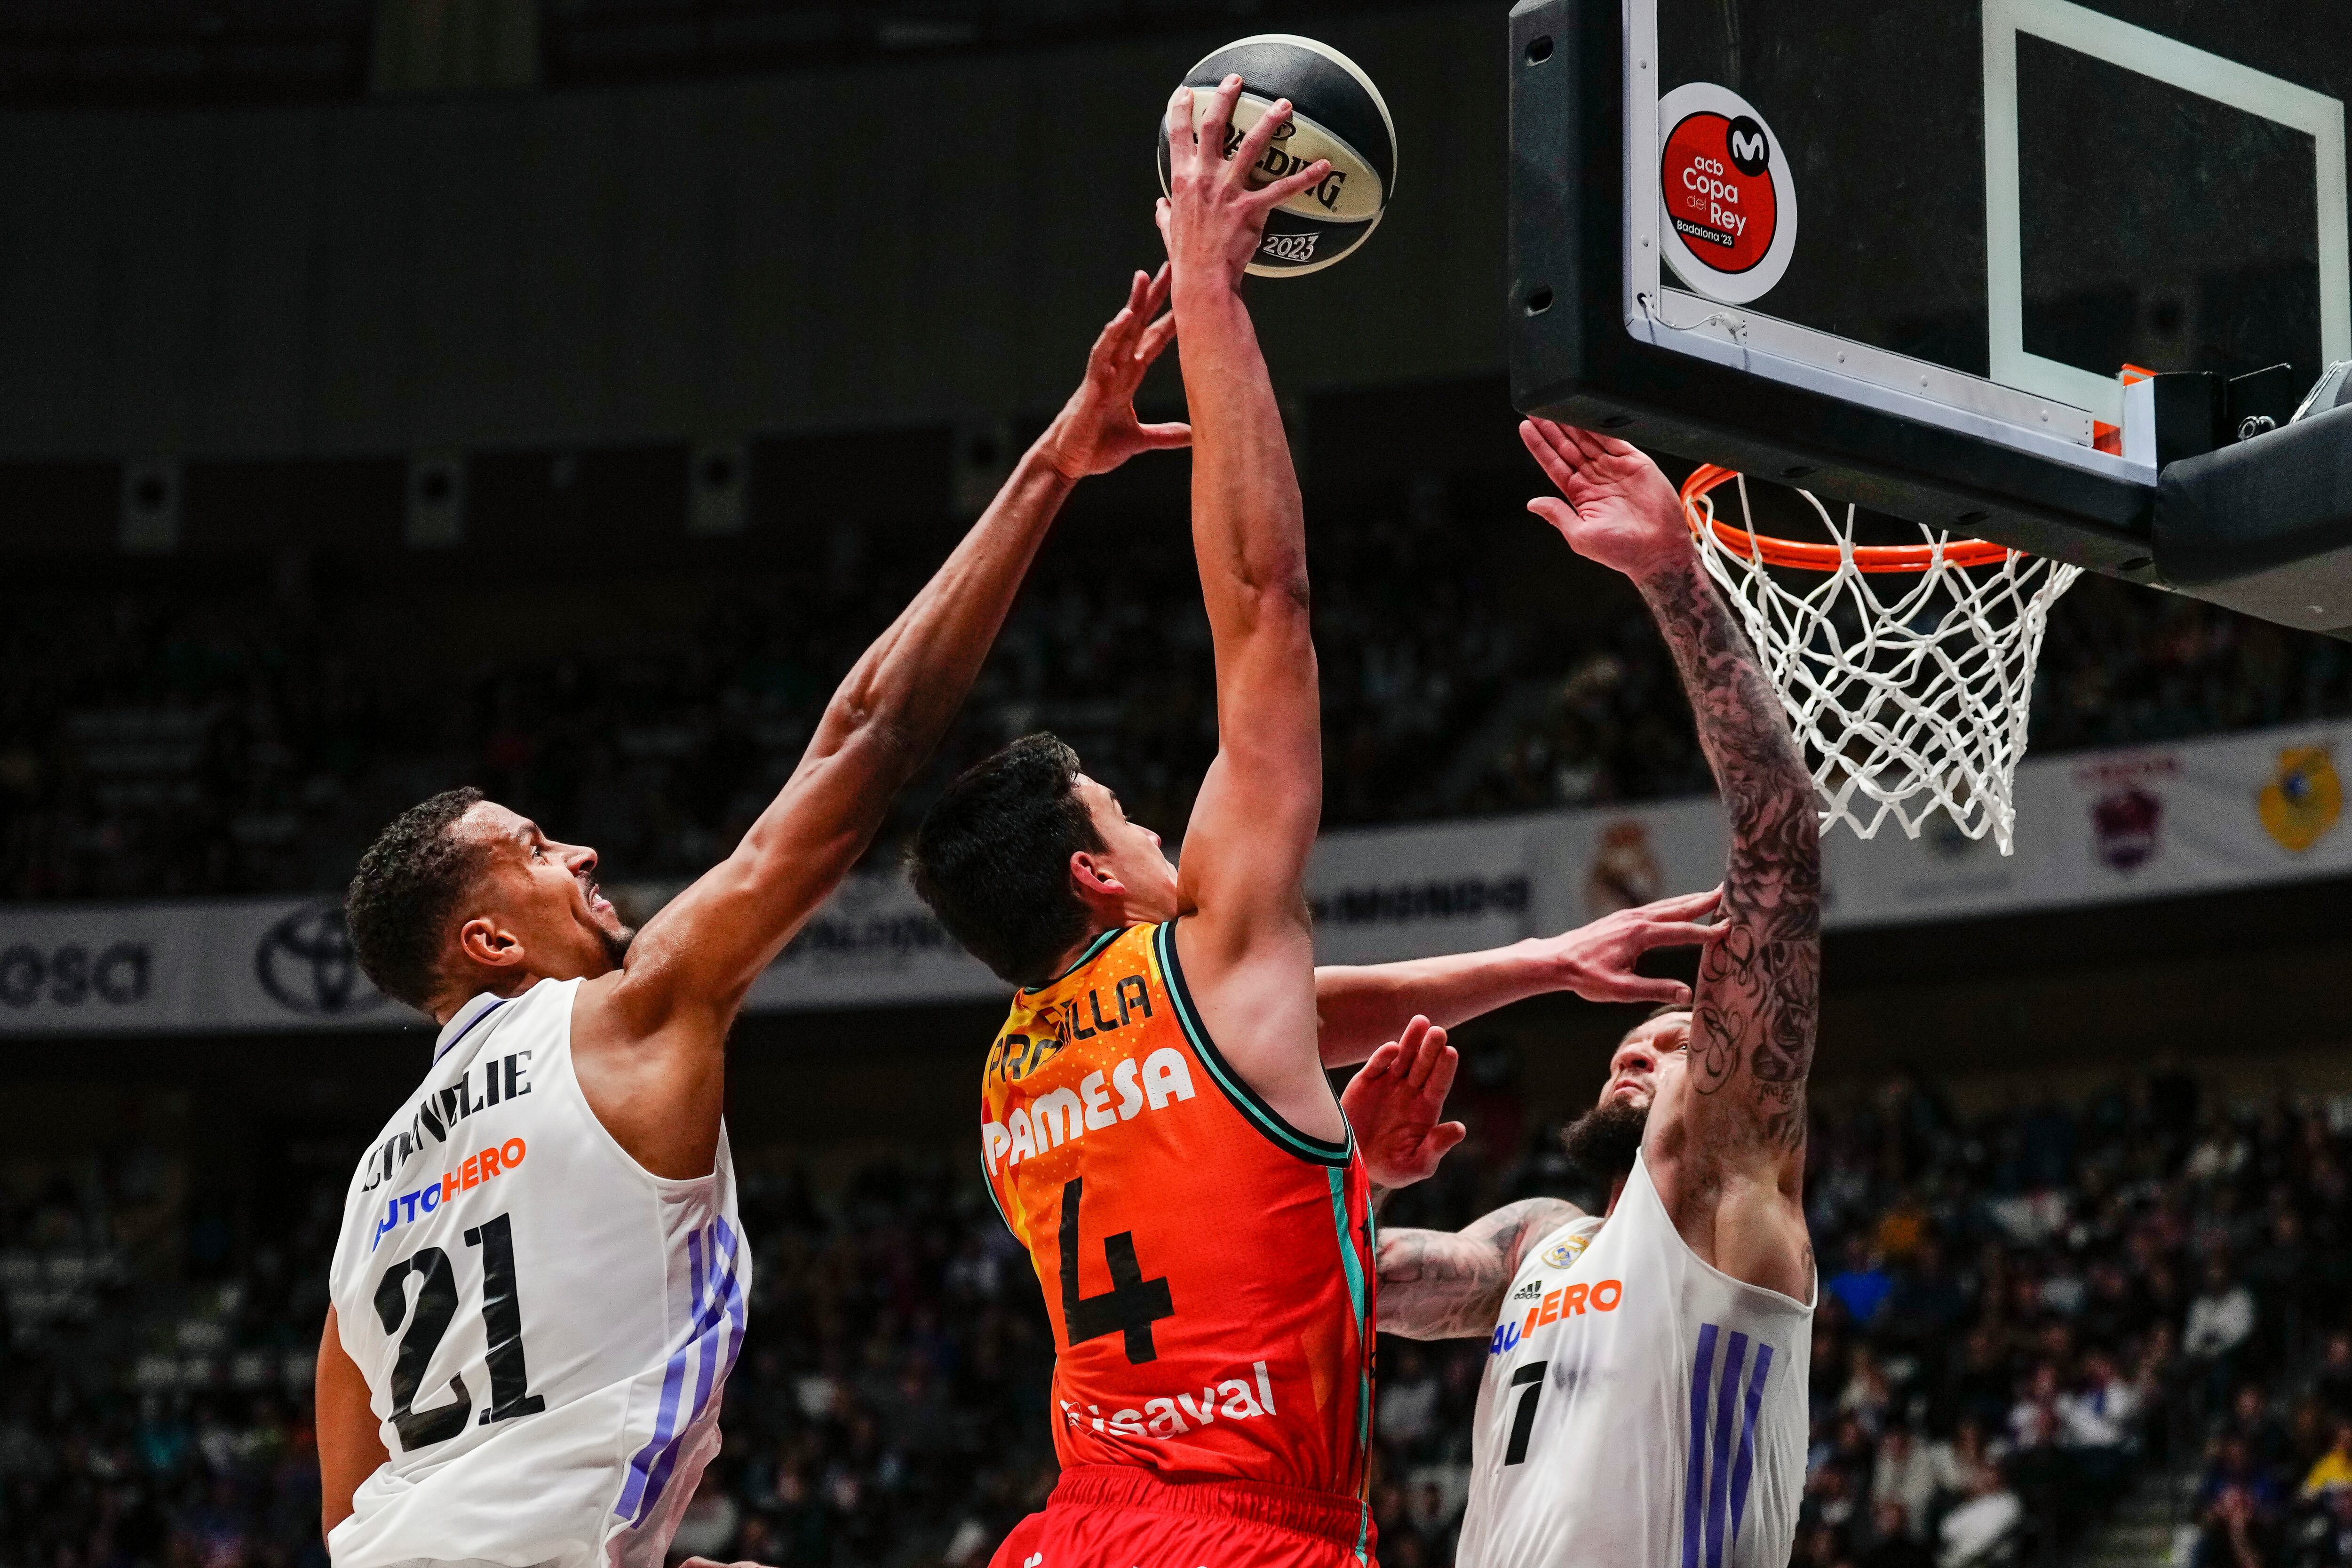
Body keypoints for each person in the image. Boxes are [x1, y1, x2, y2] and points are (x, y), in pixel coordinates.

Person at [899, 83, 1722, 1568]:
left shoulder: (1017, 1081)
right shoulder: (1207, 955)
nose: (1162, 833)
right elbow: (1263, 598)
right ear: (1096, 871)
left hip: (1068, 1532)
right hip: (1244, 1536)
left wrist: (1538, 965)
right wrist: (1213, 284)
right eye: (1129, 817)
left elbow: (1296, 1032)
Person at [314, 266, 1195, 1568]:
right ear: (488, 942)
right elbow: (872, 738)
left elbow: (354, 1504)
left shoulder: (370, 1185)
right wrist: (1055, 464)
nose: (582, 848)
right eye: (535, 847)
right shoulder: (621, 1015)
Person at [1345, 418, 1823, 1568]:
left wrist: (1673, 579)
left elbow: (1780, 839)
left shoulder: (1723, 1197)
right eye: (1630, 1037)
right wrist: (1350, 1177)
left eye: (1672, 1040)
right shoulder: (1539, 1243)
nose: (1632, 1047)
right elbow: (1362, 1284)